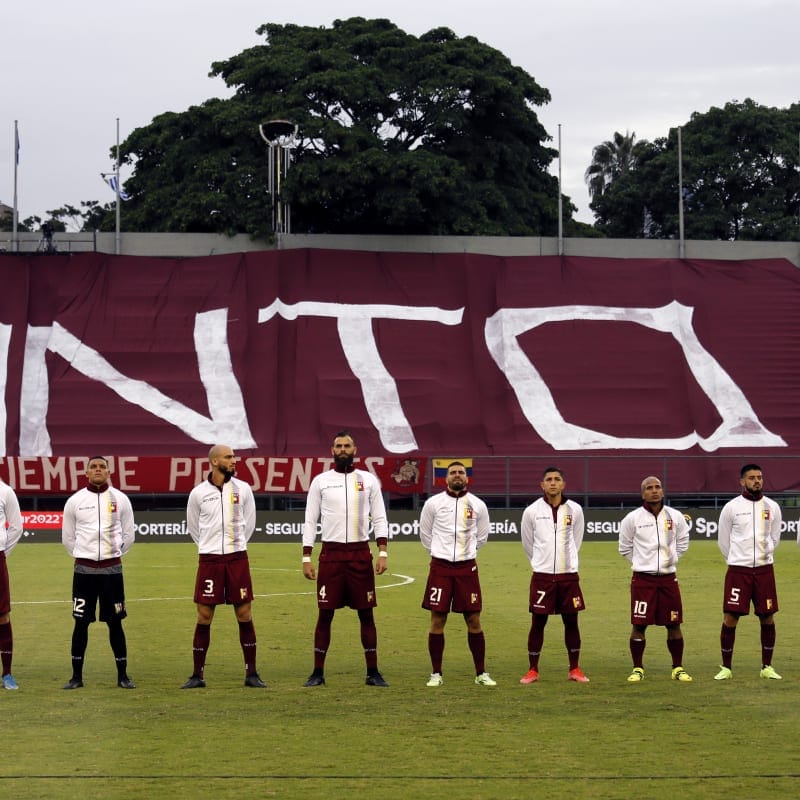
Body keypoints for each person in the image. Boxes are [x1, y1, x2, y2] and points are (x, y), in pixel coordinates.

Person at [302, 430, 389, 687]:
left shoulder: (369, 480)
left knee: (366, 614)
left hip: (360, 555)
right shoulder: (320, 481)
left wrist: (382, 551)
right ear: (332, 451)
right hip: (331, 555)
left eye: (347, 445)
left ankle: (373, 672)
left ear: (355, 450)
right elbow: (310, 519)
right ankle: (317, 672)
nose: (342, 449)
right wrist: (306, 556)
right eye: (338, 445)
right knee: (325, 614)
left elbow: (380, 517)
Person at [182, 444, 265, 689]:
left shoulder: (243, 489)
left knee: (244, 613)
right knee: (205, 615)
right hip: (209, 560)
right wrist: (210, 548)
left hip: (237, 558)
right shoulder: (198, 493)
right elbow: (194, 527)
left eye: (234, 457)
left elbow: (249, 524)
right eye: (228, 457)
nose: (234, 461)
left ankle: (251, 673)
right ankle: (197, 675)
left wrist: (234, 546)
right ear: (214, 461)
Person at [61, 456, 135, 689]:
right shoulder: (75, 501)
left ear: (109, 471)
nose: (98, 470)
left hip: (112, 572)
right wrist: (86, 555)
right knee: (80, 623)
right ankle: (76, 677)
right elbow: (68, 538)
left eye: (102, 466)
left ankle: (123, 676)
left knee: (116, 623)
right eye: (93, 466)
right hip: (84, 572)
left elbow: (128, 535)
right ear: (86, 472)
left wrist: (111, 555)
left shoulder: (120, 499)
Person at [419, 461, 495, 687]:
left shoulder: (478, 505)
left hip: (466, 569)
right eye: (453, 473)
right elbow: (425, 534)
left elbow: (482, 537)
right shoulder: (433, 503)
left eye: (461, 472)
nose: (457, 476)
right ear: (446, 478)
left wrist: (466, 554)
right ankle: (436, 674)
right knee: (437, 620)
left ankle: (481, 673)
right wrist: (440, 554)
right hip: (440, 568)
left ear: (467, 477)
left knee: (473, 619)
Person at [618, 476, 692, 683]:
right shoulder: (632, 519)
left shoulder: (675, 516)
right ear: (643, 494)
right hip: (643, 581)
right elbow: (624, 547)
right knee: (639, 624)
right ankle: (637, 668)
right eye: (649, 488)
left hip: (669, 580)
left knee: (674, 624)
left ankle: (677, 667)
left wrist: (671, 560)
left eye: (657, 487)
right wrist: (643, 563)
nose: (654, 491)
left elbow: (683, 542)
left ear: (662, 491)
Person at [519, 466, 589, 683]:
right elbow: (527, 543)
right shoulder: (532, 511)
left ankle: (575, 669)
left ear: (563, 484)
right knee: (538, 622)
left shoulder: (575, 510)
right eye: (548, 479)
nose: (552, 482)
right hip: (542, 576)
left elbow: (576, 541)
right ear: (542, 485)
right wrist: (542, 563)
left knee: (572, 621)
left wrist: (565, 563)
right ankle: (533, 670)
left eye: (557, 479)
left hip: (568, 576)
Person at [715, 463, 783, 681]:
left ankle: (767, 667)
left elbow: (774, 539)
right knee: (730, 618)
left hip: (764, 571)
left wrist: (764, 556)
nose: (757, 481)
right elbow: (723, 542)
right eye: (752, 477)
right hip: (738, 572)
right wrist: (738, 561)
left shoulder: (772, 507)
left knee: (768, 617)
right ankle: (726, 667)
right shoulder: (731, 507)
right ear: (742, 481)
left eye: (760, 477)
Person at [0, 478, 23, 690]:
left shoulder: (5, 491)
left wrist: (2, 553)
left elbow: (16, 526)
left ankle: (7, 673)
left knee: (2, 615)